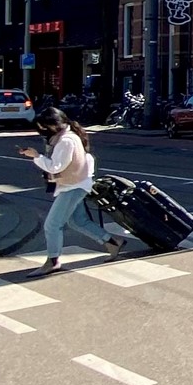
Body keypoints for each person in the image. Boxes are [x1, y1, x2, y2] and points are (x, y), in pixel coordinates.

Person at [20, 108, 125, 274]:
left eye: (44, 127)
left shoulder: (66, 141)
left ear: (53, 125)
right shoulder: (68, 137)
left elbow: (56, 166)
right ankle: (113, 242)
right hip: (77, 184)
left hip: (72, 186)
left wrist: (36, 156)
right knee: (77, 221)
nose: (42, 131)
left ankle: (53, 260)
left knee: (52, 225)